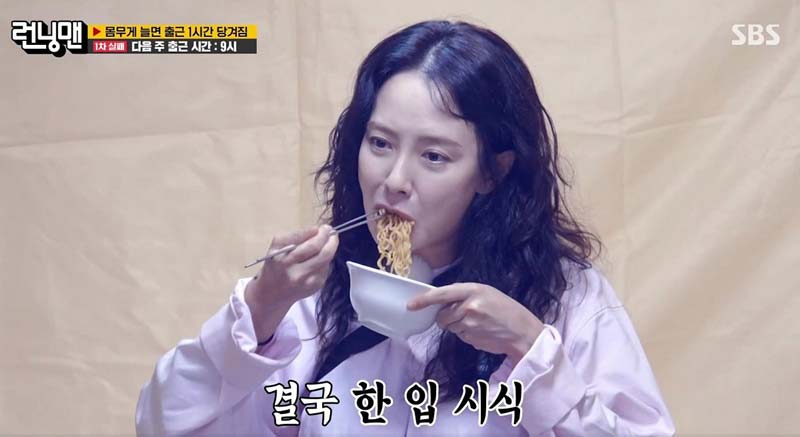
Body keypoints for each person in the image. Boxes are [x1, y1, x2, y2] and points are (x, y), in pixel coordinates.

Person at [136, 20, 676, 435]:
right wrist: (259, 309)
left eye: (434, 156)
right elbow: (163, 424)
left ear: (492, 172)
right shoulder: (308, 299)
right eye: (380, 143)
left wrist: (529, 347)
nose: (394, 180)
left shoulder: (568, 299)